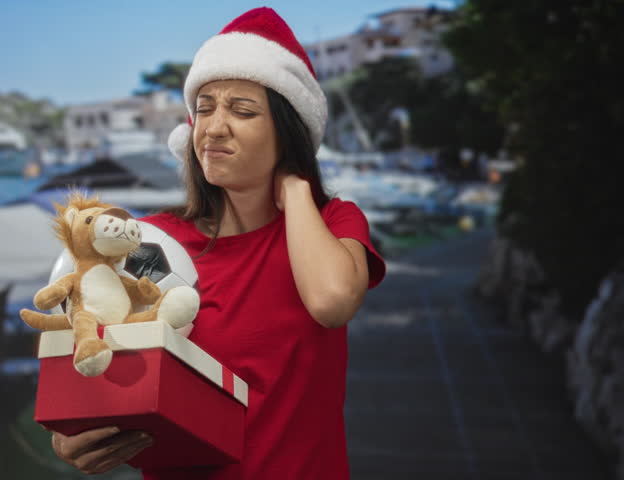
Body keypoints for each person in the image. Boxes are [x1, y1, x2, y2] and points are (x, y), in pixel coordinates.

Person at [49, 7, 386, 479]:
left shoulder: (333, 222)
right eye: (204, 109)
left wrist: (292, 189)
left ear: (288, 132)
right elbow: (94, 355)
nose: (214, 126)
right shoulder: (150, 242)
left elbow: (331, 301)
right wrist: (73, 432)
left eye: (242, 110)